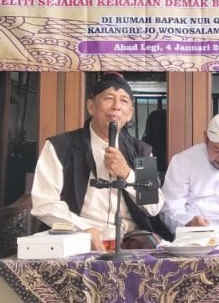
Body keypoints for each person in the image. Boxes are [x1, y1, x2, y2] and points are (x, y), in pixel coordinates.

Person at [31, 74, 164, 252]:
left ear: (130, 113)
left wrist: (127, 174)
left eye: (124, 101)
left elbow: (154, 206)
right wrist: (84, 228)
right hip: (77, 238)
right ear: (91, 106)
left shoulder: (140, 151)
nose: (116, 106)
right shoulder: (60, 146)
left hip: (129, 241)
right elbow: (44, 204)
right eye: (109, 98)